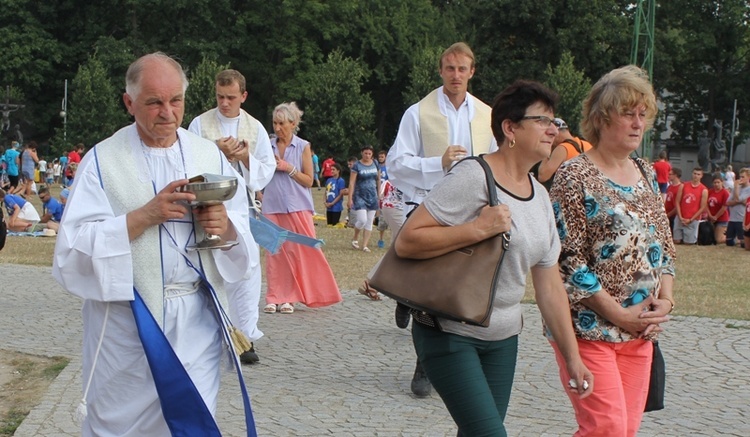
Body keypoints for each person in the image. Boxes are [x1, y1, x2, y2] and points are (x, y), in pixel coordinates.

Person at [52, 52, 258, 436]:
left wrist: (224, 228)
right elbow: (71, 252)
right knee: (120, 426)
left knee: (192, 422)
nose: (167, 112)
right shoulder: (101, 161)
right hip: (128, 328)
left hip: (195, 321)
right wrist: (142, 217)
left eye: (175, 100)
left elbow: (241, 237)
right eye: (154, 102)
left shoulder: (207, 154)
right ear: (129, 103)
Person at [397, 80, 593, 435]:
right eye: (542, 121)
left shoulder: (539, 198)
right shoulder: (473, 175)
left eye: (556, 121)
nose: (554, 130)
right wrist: (476, 229)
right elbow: (407, 241)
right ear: (510, 129)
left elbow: (549, 287)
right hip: (449, 331)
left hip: (503, 340)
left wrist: (573, 357)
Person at [549, 65, 676, 437]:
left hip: (641, 334)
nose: (638, 123)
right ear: (601, 119)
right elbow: (567, 262)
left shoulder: (646, 172)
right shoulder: (574, 175)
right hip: (590, 329)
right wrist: (619, 315)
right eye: (627, 113)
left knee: (624, 430)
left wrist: (666, 300)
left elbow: (664, 246)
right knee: (607, 429)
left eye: (643, 114)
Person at [386, 42, 497, 397]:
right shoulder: (418, 113)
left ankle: (455, 355)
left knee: (459, 290)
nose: (455, 75)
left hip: (471, 212)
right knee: (429, 291)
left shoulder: (487, 115)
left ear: (472, 71)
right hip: (427, 208)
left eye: (462, 69)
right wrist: (438, 163)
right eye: (449, 68)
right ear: (441, 70)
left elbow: (498, 164)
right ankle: (425, 362)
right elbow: (396, 164)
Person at [188, 68, 276, 364]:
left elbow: (266, 170)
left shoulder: (255, 128)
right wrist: (215, 150)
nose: (224, 103)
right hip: (209, 207)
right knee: (213, 269)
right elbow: (185, 159)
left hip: (241, 209)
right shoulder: (200, 124)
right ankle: (213, 332)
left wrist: (244, 157)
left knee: (246, 269)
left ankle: (245, 336)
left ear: (243, 96)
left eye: (230, 97)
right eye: (219, 97)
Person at [261, 102, 341, 315]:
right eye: (275, 123)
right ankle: (273, 296)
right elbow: (259, 175)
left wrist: (288, 168)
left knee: (299, 251)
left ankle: (290, 297)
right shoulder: (266, 145)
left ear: (293, 123)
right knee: (274, 252)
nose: (278, 128)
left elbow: (308, 180)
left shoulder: (303, 146)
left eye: (282, 124)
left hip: (298, 207)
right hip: (272, 206)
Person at [535, 117, 592, 189]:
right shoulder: (588, 145)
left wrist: (547, 152)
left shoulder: (562, 149)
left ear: (557, 132)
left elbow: (542, 176)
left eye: (550, 135)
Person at [348, 145, 381, 253]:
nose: (367, 155)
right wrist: (350, 198)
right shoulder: (357, 165)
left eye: (369, 154)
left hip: (372, 195)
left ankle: (365, 245)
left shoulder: (375, 163)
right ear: (362, 153)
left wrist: (379, 194)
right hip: (359, 195)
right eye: (365, 153)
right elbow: (352, 182)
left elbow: (378, 179)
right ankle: (355, 237)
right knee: (362, 219)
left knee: (370, 221)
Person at [674, 167, 708, 244]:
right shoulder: (683, 185)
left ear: (701, 176)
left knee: (688, 243)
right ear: (692, 174)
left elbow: (702, 207)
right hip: (680, 217)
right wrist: (680, 217)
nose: (696, 176)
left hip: (693, 219)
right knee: (676, 240)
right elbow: (677, 201)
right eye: (694, 173)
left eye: (698, 174)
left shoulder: (704, 189)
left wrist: (691, 219)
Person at [726, 168, 750, 247]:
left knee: (743, 244)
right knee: (729, 242)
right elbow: (728, 202)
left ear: (748, 177)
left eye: (743, 177)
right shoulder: (736, 188)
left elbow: (739, 200)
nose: (740, 179)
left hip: (741, 218)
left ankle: (741, 240)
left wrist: (736, 188)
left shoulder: (748, 189)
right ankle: (736, 240)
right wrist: (739, 201)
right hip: (732, 218)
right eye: (740, 177)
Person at [707, 174, 730, 244]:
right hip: (711, 217)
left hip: (721, 218)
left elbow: (724, 207)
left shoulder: (725, 193)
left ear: (722, 182)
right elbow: (706, 205)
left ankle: (732, 238)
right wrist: (710, 215)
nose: (716, 184)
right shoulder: (710, 191)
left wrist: (716, 217)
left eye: (718, 182)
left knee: (719, 240)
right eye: (715, 182)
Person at [664, 167, 682, 232]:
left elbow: (678, 204)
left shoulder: (680, 188)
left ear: (675, 175)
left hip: (674, 215)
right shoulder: (670, 186)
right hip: (667, 212)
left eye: (670, 174)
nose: (668, 176)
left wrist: (669, 214)